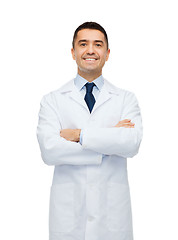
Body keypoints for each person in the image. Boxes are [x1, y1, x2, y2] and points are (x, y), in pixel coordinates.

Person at [37, 21, 143, 240]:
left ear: (107, 53)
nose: (91, 50)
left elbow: (131, 142)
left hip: (113, 216)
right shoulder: (52, 101)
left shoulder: (125, 99)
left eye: (98, 44)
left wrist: (79, 135)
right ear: (73, 52)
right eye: (83, 44)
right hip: (69, 216)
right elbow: (50, 151)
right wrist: (110, 140)